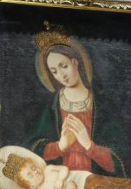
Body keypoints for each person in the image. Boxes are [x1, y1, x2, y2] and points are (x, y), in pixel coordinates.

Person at [28, 25, 120, 175]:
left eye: (64, 66)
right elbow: (34, 150)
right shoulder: (52, 107)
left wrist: (89, 145)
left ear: (75, 62)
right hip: (61, 180)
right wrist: (60, 146)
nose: (61, 75)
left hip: (95, 181)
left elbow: (118, 160)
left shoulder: (103, 105)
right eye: (54, 71)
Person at [2, 152, 77, 189]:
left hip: (77, 177)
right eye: (30, 175)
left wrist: (60, 179)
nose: (35, 172)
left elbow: (64, 168)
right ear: (30, 186)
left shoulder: (48, 169)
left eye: (33, 168)